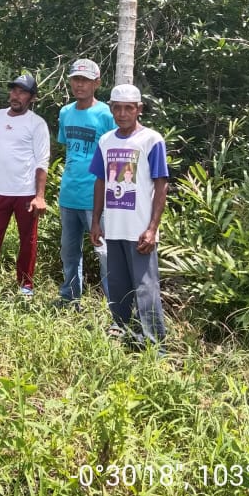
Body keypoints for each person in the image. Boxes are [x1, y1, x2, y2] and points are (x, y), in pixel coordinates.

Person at [89, 84, 169, 348]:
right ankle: (121, 330)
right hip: (113, 227)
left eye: (128, 108)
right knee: (118, 284)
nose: (122, 114)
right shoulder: (106, 140)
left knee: (146, 287)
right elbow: (101, 181)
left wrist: (152, 228)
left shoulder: (151, 140)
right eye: (117, 108)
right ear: (111, 109)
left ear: (139, 109)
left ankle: (155, 343)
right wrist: (96, 221)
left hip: (139, 229)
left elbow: (161, 185)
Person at [0, 74, 50, 296]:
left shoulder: (37, 124)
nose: (16, 95)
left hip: (26, 193)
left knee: (28, 240)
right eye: (13, 90)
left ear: (31, 98)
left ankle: (26, 285)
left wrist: (39, 196)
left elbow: (42, 162)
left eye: (22, 92)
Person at [54, 59, 116, 308]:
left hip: (97, 197)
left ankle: (116, 306)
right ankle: (70, 298)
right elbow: (68, 149)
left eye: (85, 80)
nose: (79, 85)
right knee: (69, 252)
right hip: (69, 194)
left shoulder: (107, 114)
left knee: (105, 254)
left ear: (96, 83)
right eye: (75, 79)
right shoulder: (65, 113)